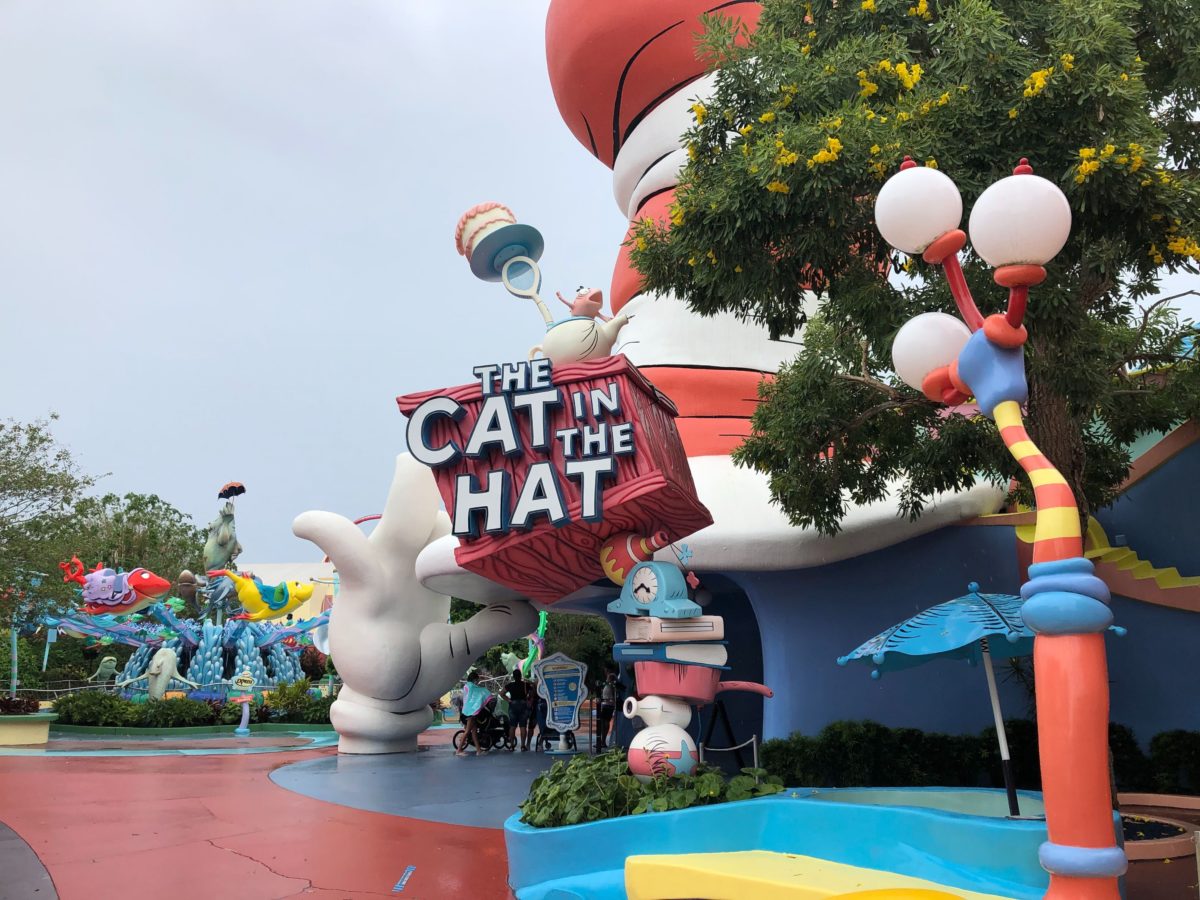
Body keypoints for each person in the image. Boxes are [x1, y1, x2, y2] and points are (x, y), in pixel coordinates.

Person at [457, 671, 491, 757]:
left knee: (474, 731)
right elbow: (478, 693)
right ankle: (459, 750)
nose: (478, 682)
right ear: (474, 679)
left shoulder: (467, 686)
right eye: (477, 680)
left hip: (466, 711)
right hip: (470, 712)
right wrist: (486, 693)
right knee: (467, 731)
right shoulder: (472, 687)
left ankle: (478, 750)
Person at [504, 668, 531, 751]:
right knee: (523, 726)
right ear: (520, 676)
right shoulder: (526, 684)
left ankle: (511, 746)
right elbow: (532, 692)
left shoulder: (510, 685)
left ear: (513, 677)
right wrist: (528, 698)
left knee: (512, 726)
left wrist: (508, 700)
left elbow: (501, 693)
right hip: (523, 705)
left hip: (513, 705)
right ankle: (522, 746)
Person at [596, 669, 620, 751]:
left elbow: (614, 689)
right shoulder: (608, 681)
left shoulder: (611, 678)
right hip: (606, 704)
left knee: (604, 723)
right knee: (603, 723)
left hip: (608, 705)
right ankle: (602, 741)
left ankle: (602, 741)